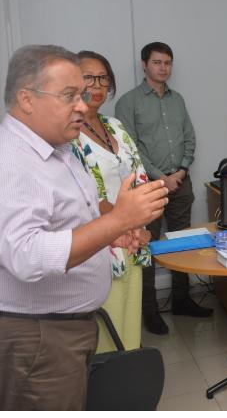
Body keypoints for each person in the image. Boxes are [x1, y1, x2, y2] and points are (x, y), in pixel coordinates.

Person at [1, 45, 168, 411]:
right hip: (40, 335)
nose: (82, 104)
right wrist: (118, 221)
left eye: (83, 93)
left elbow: (74, 216)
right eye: (69, 95)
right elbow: (27, 256)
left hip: (65, 327)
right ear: (26, 99)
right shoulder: (11, 160)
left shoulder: (57, 147)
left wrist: (113, 230)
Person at [115, 41, 204, 335]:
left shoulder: (177, 100)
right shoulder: (128, 103)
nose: (163, 68)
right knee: (147, 246)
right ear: (144, 65)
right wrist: (161, 178)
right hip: (147, 187)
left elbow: (189, 137)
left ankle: (182, 299)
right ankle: (150, 311)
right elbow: (131, 147)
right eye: (157, 62)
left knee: (182, 243)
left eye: (167, 63)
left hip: (180, 182)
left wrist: (181, 170)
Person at [71, 51, 152, 353]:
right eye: (89, 78)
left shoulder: (115, 125)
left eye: (103, 79)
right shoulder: (68, 132)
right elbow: (86, 194)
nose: (97, 85)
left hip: (132, 242)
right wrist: (124, 224)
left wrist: (140, 226)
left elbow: (139, 176)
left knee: (129, 329)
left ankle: (127, 380)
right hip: (99, 246)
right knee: (106, 333)